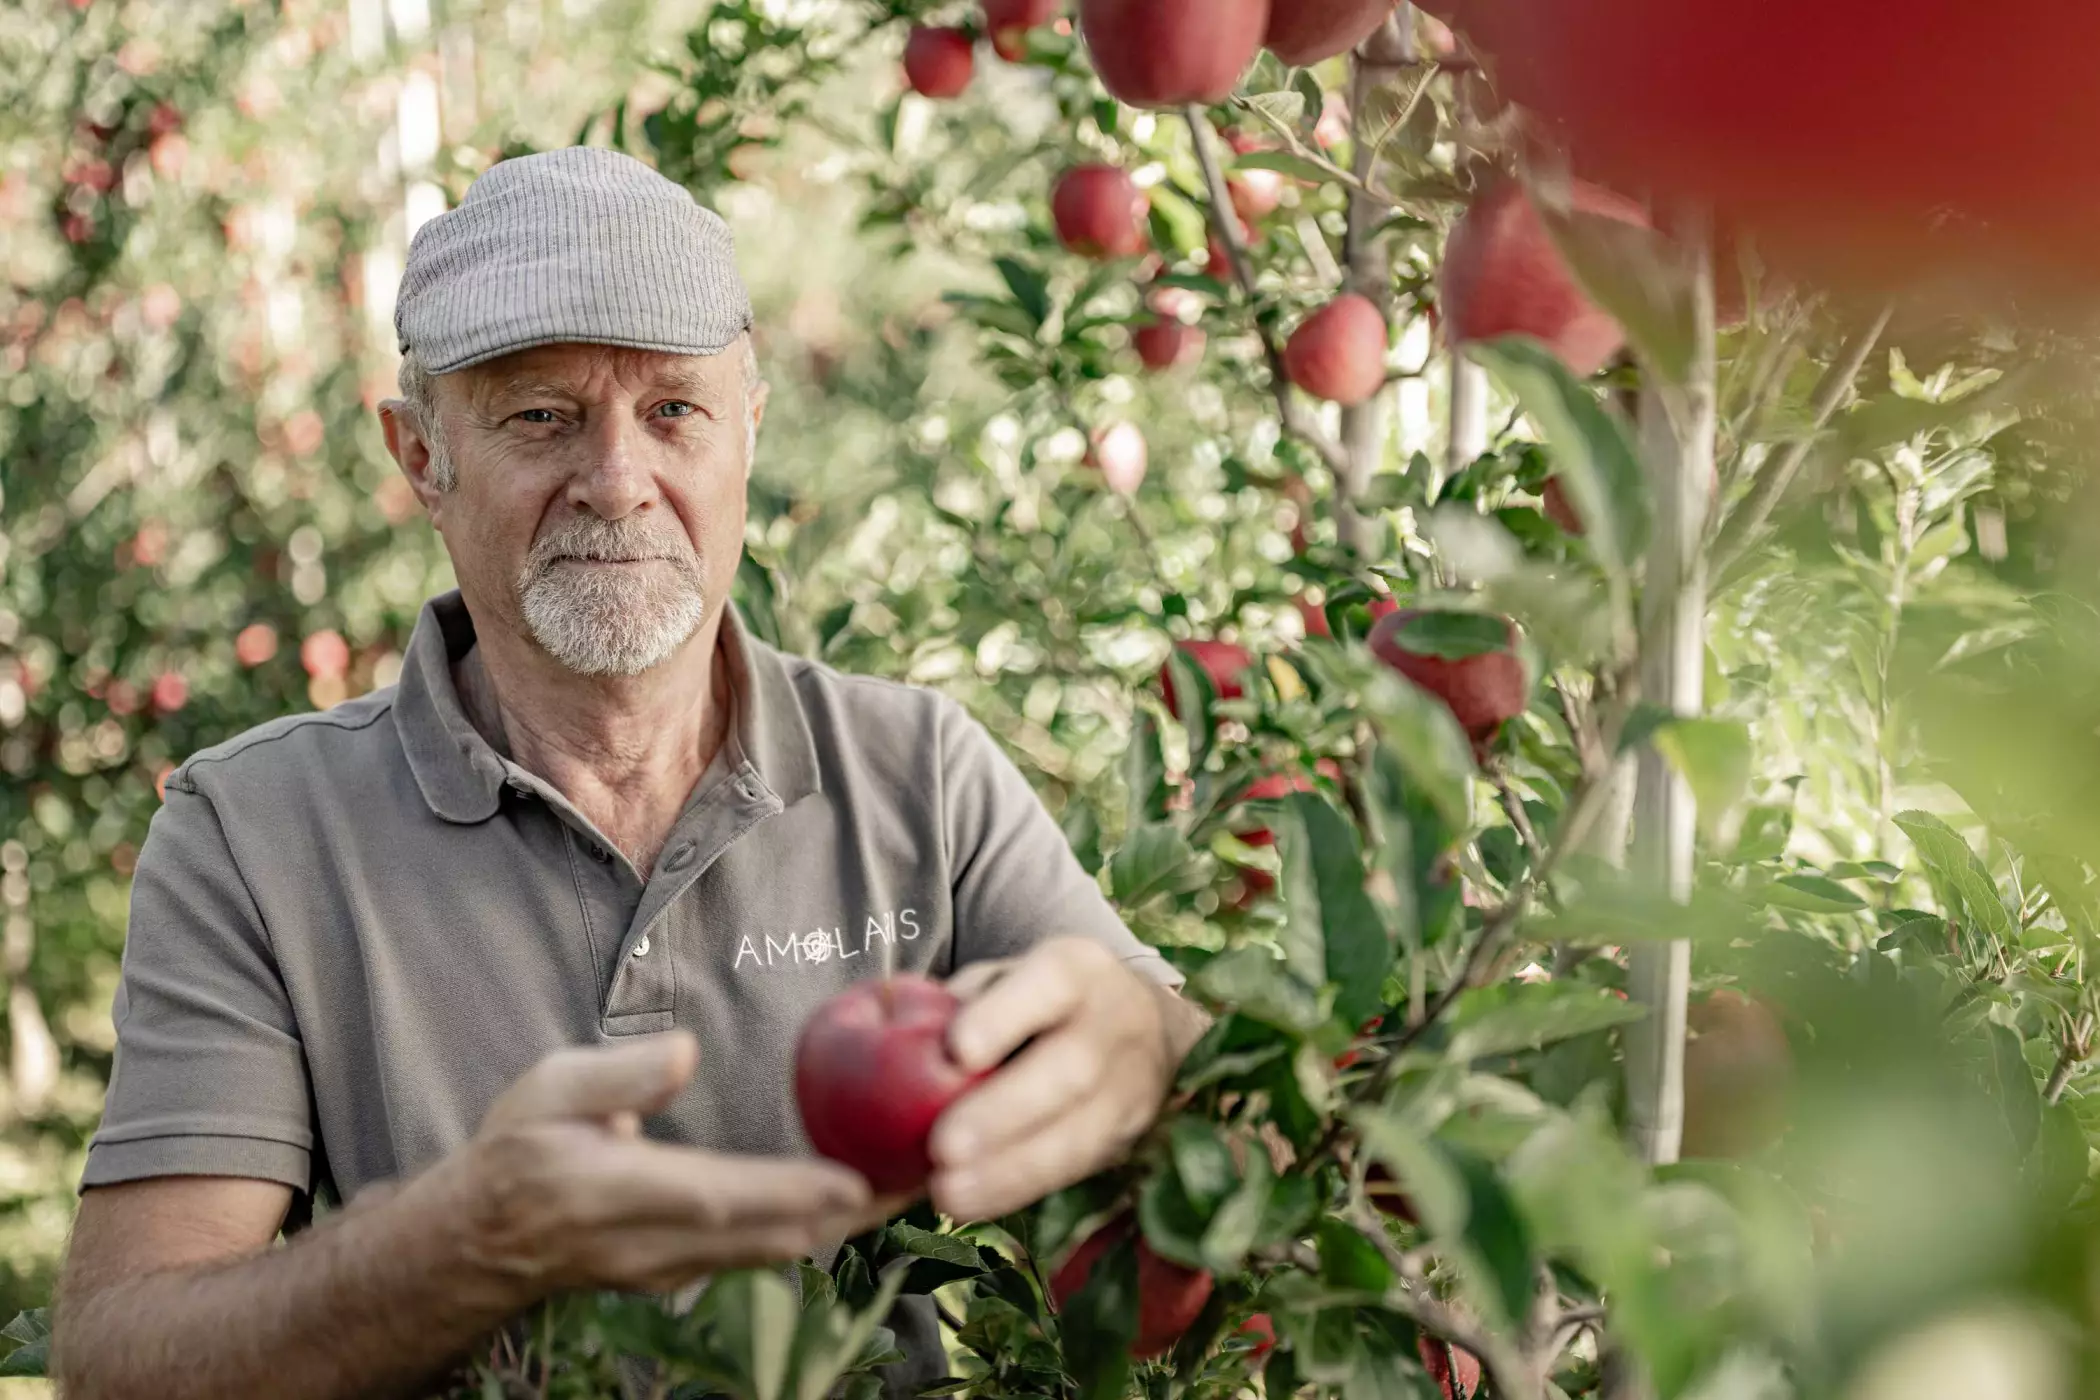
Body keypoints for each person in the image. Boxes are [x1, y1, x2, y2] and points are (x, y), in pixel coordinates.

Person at [52, 147, 1208, 1400]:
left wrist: (1151, 1044)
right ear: (420, 456)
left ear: (748, 430)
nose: (615, 481)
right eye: (541, 415)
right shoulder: (255, 835)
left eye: (674, 411)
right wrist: (458, 1245)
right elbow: (123, 1363)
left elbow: (1231, 1118)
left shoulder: (917, 773)